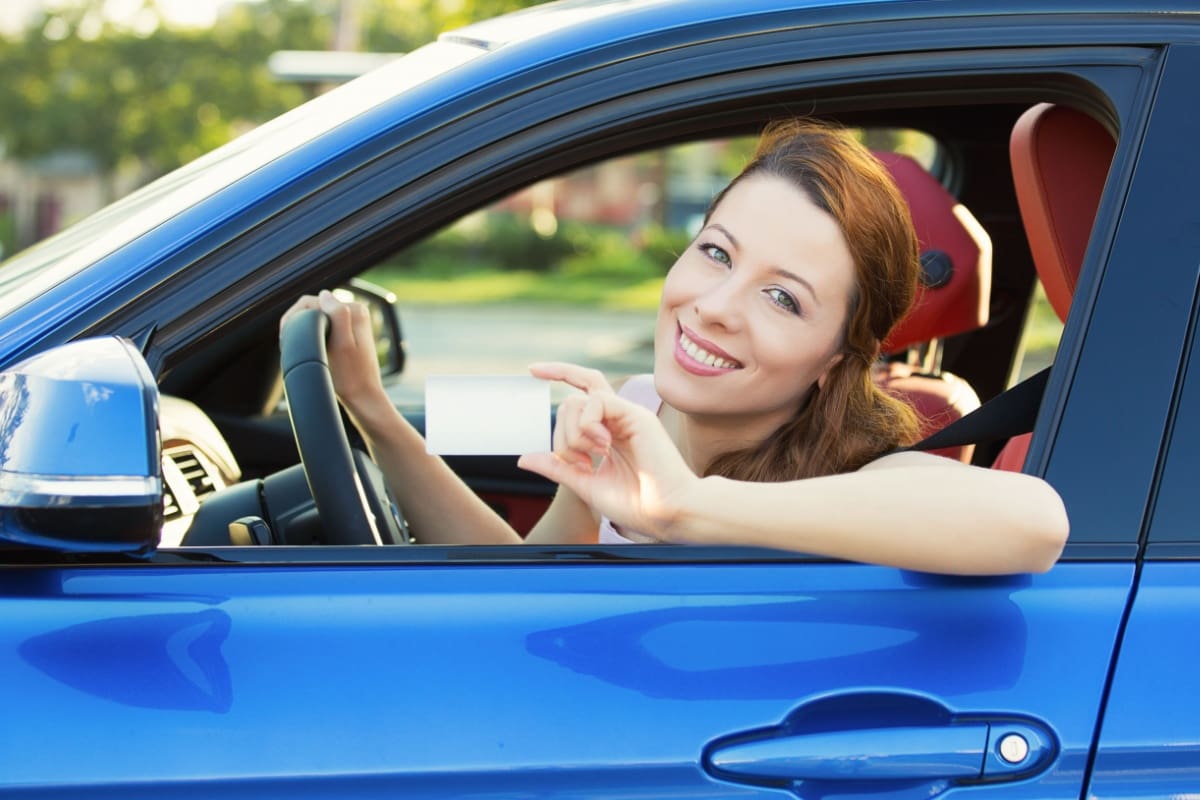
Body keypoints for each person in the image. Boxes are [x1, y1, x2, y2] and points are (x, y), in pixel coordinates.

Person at [281, 119, 1068, 575]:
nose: (714, 307)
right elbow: (536, 583)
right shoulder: (637, 404)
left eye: (783, 297)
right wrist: (377, 415)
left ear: (836, 357)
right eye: (718, 253)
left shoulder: (859, 472)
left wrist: (688, 508)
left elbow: (1034, 524)